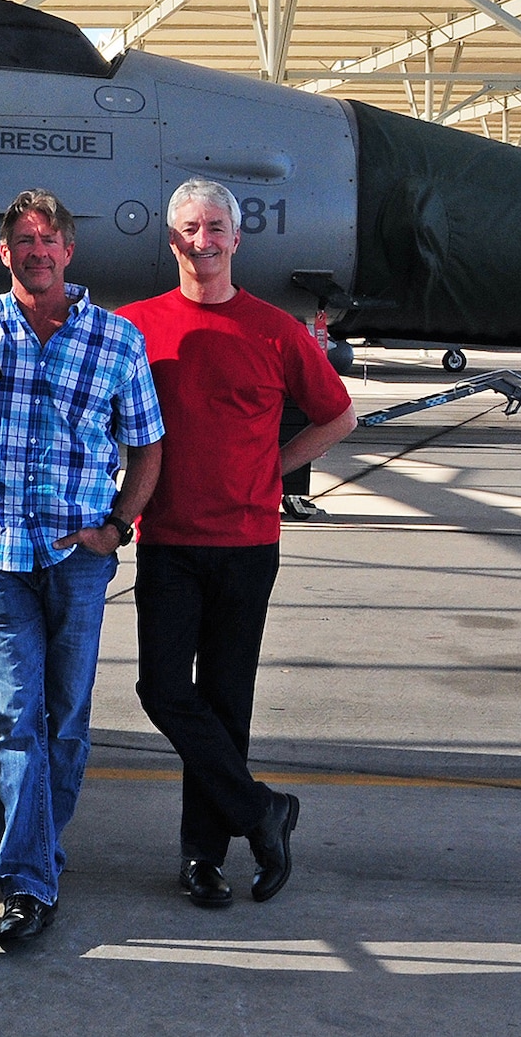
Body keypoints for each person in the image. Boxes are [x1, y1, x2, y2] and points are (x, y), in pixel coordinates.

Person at [118, 179, 356, 908]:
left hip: (248, 543)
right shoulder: (136, 325)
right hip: (167, 540)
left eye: (215, 225)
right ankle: (262, 811)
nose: (204, 239)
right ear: (173, 240)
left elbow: (337, 418)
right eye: (189, 228)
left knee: (225, 701)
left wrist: (269, 469)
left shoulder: (275, 329)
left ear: (236, 235)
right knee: (161, 688)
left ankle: (202, 857)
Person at [0, 188, 165, 946]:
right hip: (0, 552)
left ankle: (36, 851)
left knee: (66, 721)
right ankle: (29, 880)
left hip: (79, 557)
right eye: (23, 238)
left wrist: (118, 524)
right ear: (4, 251)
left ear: (70, 250)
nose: (36, 249)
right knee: (16, 719)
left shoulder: (116, 339)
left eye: (48, 238)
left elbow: (149, 443)